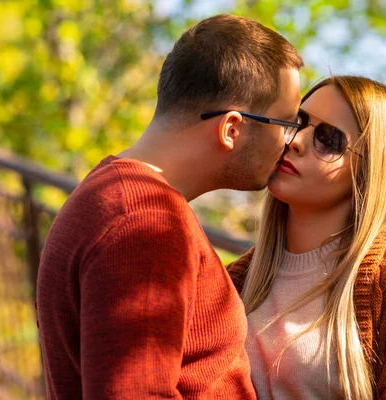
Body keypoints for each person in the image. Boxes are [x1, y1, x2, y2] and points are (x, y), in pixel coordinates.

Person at [36, 14, 303, 399]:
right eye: (286, 123)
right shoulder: (144, 224)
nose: (290, 142)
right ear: (232, 129)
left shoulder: (116, 196)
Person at [227, 75, 386, 400]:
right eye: (297, 122)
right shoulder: (235, 279)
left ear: (370, 169)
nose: (296, 141)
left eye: (328, 139)